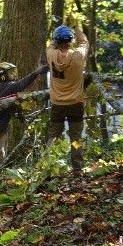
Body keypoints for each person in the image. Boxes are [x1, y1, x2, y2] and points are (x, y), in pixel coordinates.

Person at [46, 18, 89, 176]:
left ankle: (49, 166)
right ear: (70, 41)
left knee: (54, 136)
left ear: (57, 41)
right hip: (76, 104)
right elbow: (84, 42)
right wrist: (75, 27)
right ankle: (77, 169)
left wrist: (58, 32)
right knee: (76, 138)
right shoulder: (78, 56)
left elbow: (51, 44)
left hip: (57, 104)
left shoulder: (50, 54)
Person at [0, 62, 50, 166]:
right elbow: (21, 84)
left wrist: (19, 115)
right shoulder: (8, 86)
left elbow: (12, 105)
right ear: (2, 75)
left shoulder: (4, 86)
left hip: (0, 125)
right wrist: (36, 73)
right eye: (10, 73)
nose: (13, 75)